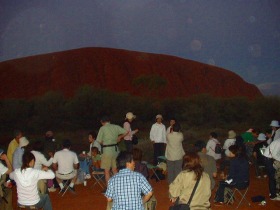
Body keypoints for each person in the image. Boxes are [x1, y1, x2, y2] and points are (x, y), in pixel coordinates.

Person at [96, 116, 128, 186]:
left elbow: (99, 141)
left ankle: (109, 188)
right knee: (115, 169)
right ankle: (118, 186)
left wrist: (105, 142)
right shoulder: (115, 126)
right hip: (115, 149)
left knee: (106, 171)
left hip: (107, 150)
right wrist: (120, 137)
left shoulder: (102, 128)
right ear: (109, 121)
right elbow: (126, 132)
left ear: (102, 122)